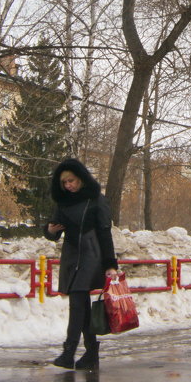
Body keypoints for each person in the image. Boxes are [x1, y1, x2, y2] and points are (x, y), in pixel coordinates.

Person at [45, 158, 117, 371]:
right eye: (64, 182)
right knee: (81, 305)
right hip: (71, 255)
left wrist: (110, 264)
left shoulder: (96, 199)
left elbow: (105, 233)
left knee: (77, 301)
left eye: (72, 181)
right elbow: (54, 231)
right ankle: (91, 353)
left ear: (82, 179)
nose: (68, 186)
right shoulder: (63, 201)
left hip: (91, 253)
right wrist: (50, 231)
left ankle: (69, 352)